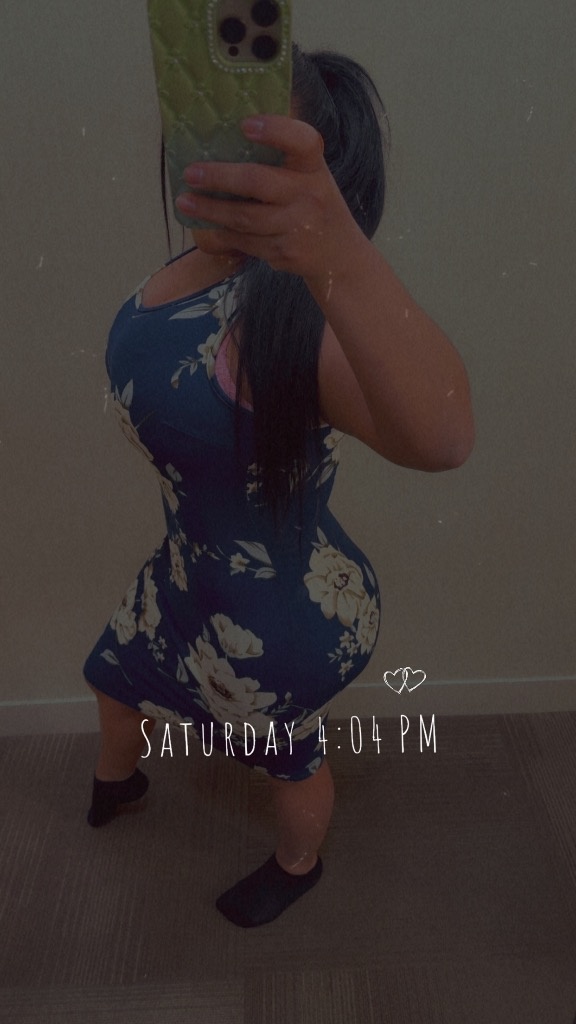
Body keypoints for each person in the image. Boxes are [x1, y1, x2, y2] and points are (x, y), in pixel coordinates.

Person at [83, 44, 474, 928]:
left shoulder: (298, 323)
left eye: (260, 153)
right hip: (185, 576)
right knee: (112, 676)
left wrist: (340, 254)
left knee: (284, 756)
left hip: (281, 620)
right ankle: (120, 777)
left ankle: (299, 865)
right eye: (208, 130)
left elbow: (445, 437)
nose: (221, 163)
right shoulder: (198, 263)